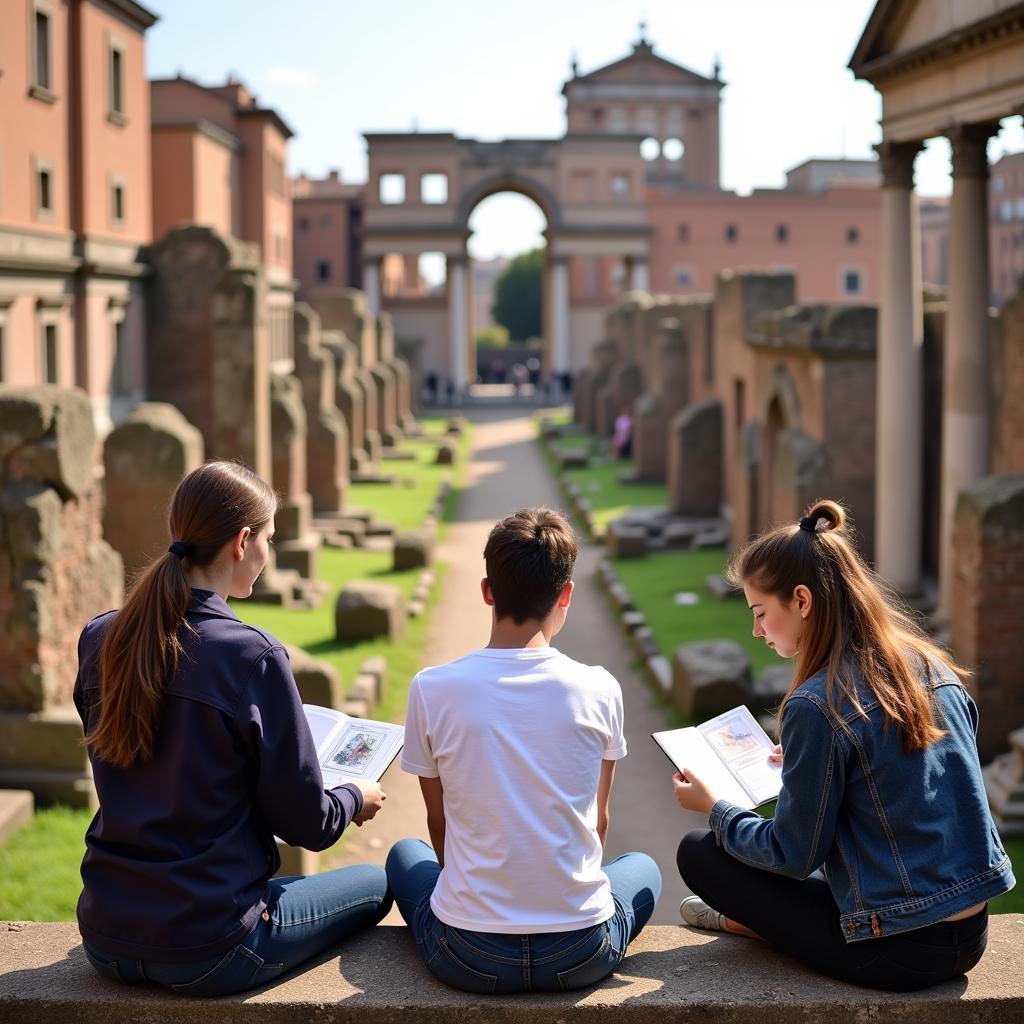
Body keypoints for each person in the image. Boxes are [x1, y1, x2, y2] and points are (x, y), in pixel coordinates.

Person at [74, 461, 390, 997]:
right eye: (269, 537)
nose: (269, 553)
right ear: (243, 542)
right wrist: (353, 796)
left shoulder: (100, 637)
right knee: (377, 884)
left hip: (106, 936)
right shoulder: (250, 655)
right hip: (212, 947)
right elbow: (308, 825)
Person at [672, 499, 1015, 992]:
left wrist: (714, 808)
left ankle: (754, 924)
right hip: (971, 930)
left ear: (803, 601)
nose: (756, 630)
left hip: (900, 947)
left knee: (698, 852)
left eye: (761, 612)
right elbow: (911, 780)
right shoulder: (932, 667)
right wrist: (815, 765)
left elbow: (793, 854)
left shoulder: (818, 704)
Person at [386, 507, 661, 994]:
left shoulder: (432, 688)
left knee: (405, 854)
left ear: (488, 591)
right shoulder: (600, 688)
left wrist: (485, 900)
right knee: (643, 868)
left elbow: (439, 824)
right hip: (579, 952)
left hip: (468, 955)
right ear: (566, 595)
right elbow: (597, 822)